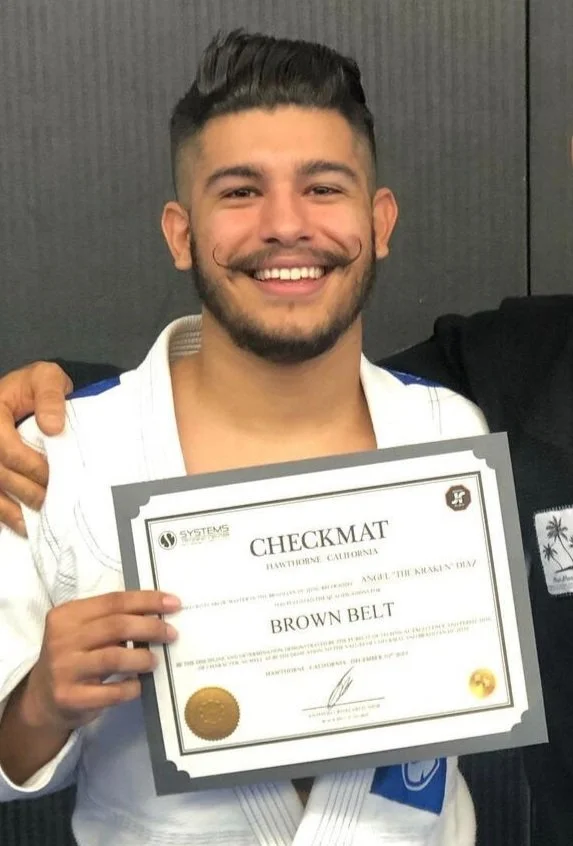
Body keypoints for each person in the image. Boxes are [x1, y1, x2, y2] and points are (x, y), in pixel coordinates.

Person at [0, 30, 487, 846]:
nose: (285, 225)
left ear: (378, 221)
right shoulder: (53, 457)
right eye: (239, 191)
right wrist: (41, 702)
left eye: (322, 188)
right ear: (181, 233)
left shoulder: (447, 435)